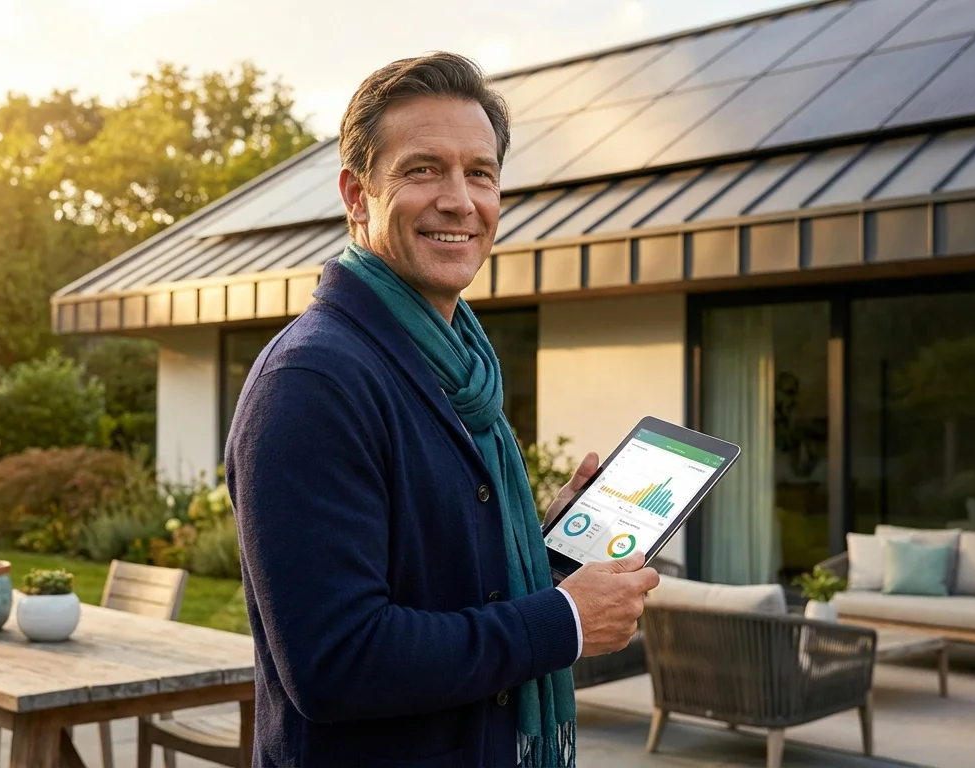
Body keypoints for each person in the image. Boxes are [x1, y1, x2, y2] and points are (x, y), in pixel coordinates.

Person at [225, 51, 661, 768]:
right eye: (424, 169)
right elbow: (337, 662)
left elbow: (446, 581)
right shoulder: (312, 381)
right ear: (358, 195)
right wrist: (564, 620)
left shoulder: (459, 371)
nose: (461, 200)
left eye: (480, 173)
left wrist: (551, 549)